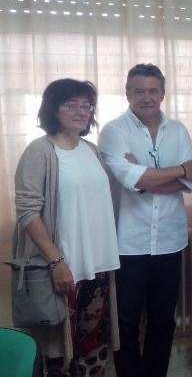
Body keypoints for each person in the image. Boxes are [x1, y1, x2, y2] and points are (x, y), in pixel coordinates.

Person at [98, 64, 192, 377]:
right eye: (139, 91)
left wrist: (145, 175)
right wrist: (179, 170)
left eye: (152, 90)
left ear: (163, 93)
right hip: (128, 243)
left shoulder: (179, 130)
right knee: (126, 322)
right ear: (127, 93)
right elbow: (131, 179)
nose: (146, 97)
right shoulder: (114, 131)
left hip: (170, 239)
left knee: (163, 319)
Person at [13, 79, 120, 376]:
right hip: (62, 267)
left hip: (97, 264)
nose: (80, 111)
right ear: (53, 109)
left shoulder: (91, 150)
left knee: (93, 344)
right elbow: (27, 211)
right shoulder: (40, 150)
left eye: (86, 105)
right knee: (60, 350)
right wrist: (56, 261)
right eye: (71, 104)